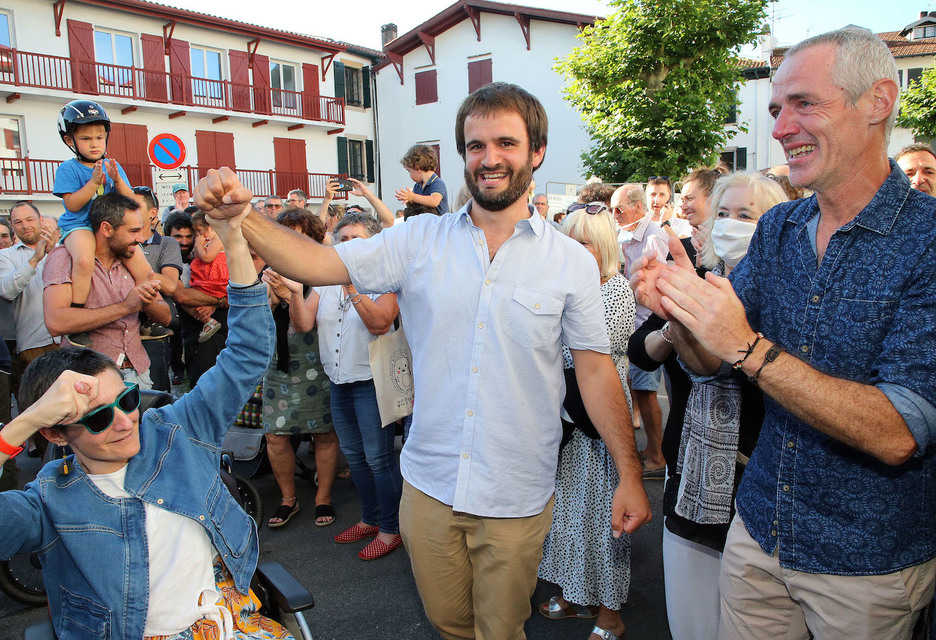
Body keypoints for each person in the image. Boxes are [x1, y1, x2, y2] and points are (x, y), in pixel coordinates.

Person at [194, 81, 650, 640]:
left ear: (537, 153)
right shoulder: (418, 240)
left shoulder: (570, 263)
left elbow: (596, 370)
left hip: (517, 493)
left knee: (502, 629)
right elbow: (316, 261)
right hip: (430, 487)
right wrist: (243, 216)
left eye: (505, 143)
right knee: (446, 624)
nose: (489, 159)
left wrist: (630, 474)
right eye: (475, 145)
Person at [632, 27, 936, 639]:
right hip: (757, 533)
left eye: (804, 103)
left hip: (867, 566)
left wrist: (746, 345)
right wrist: (681, 310)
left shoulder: (927, 240)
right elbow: (712, 364)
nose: (779, 128)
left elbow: (902, 432)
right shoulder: (780, 230)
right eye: (776, 109)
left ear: (878, 101)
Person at [0, 207, 292, 640]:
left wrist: (233, 238)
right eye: (98, 416)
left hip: (233, 622)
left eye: (127, 399)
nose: (124, 422)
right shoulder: (48, 503)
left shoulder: (175, 430)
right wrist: (21, 424)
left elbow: (248, 354)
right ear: (56, 432)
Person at [645, 172, 787, 640]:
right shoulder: (698, 280)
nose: (730, 224)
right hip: (693, 478)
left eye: (746, 216)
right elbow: (653, 353)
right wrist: (674, 319)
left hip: (762, 486)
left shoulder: (791, 299)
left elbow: (722, 362)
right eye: (723, 214)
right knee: (692, 619)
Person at [278, 211, 402, 558]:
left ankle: (391, 528)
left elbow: (380, 323)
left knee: (379, 458)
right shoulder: (325, 280)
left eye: (354, 239)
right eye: (342, 239)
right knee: (356, 458)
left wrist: (352, 287)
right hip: (338, 381)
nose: (346, 245)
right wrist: (292, 295)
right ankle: (371, 518)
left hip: (371, 382)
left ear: (372, 242)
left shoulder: (385, 278)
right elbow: (304, 324)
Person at [538, 202, 636, 640]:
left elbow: (590, 357)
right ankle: (577, 594)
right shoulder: (569, 285)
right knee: (568, 518)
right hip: (565, 420)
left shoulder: (615, 290)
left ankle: (610, 614)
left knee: (604, 522)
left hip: (598, 421)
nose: (575, 250)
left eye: (585, 243)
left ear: (604, 247)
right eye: (569, 240)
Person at [259, 209, 339, 529]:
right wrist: (272, 295)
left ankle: (324, 497)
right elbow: (258, 319)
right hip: (278, 366)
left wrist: (290, 294)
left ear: (314, 238)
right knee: (275, 436)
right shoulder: (270, 270)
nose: (293, 241)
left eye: (300, 234)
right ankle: (287, 498)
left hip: (316, 365)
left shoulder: (322, 273)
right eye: (287, 234)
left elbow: (306, 324)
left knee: (324, 433)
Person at [43, 193, 170, 390]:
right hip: (89, 381)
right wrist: (125, 307)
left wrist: (147, 301)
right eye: (133, 231)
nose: (140, 238)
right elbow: (55, 322)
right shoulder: (64, 258)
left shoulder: (132, 258)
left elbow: (166, 316)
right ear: (106, 228)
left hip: (138, 373)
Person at [53, 100, 152, 348]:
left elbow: (129, 199)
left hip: (109, 227)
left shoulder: (112, 166)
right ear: (69, 141)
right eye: (86, 138)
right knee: (85, 260)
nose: (95, 143)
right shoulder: (68, 168)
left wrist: (117, 180)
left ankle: (147, 313)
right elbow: (73, 205)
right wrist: (92, 182)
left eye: (99, 137)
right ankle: (77, 314)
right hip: (80, 225)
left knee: (141, 265)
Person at [610, 184, 669, 477]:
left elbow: (651, 286)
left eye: (619, 208)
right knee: (641, 390)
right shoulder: (630, 235)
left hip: (650, 324)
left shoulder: (653, 236)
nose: (615, 214)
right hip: (636, 324)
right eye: (612, 208)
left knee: (646, 392)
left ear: (638, 207)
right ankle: (653, 450)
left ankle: (657, 456)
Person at [131, 186, 183, 391]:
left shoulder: (166, 243)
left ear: (153, 212)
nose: (128, 210)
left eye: (135, 206)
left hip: (153, 333)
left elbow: (170, 285)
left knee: (156, 393)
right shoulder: (116, 242)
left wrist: (133, 265)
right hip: (122, 329)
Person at [190, 209, 229, 344]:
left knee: (192, 298)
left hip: (215, 279)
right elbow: (197, 259)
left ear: (211, 227)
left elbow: (207, 258)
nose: (199, 236)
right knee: (188, 300)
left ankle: (209, 321)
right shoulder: (205, 242)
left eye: (200, 231)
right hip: (203, 279)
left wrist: (200, 245)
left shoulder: (218, 239)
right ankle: (208, 321)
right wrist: (199, 246)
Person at [395, 144, 449, 214]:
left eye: (409, 171)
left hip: (439, 223)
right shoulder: (417, 186)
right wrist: (409, 201)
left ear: (418, 168)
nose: (409, 175)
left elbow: (434, 201)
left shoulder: (437, 183)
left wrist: (413, 197)